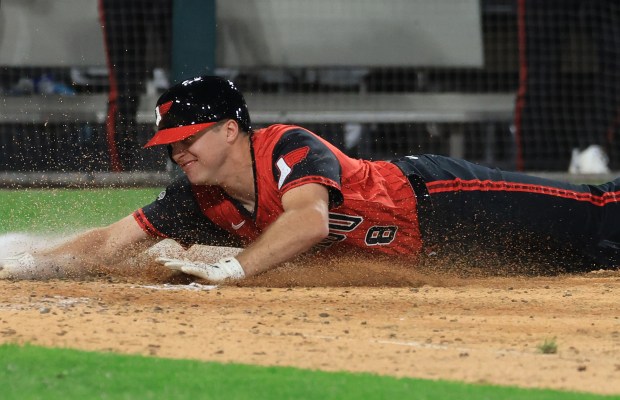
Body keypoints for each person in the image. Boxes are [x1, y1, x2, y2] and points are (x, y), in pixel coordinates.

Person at [1, 76, 619, 282]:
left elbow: (309, 220)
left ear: (229, 131)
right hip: (430, 254)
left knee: (595, 217)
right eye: (169, 144)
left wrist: (234, 269)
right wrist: (29, 263)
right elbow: (112, 241)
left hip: (441, 202)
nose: (178, 153)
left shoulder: (287, 146)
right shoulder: (200, 199)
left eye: (186, 139)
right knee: (582, 265)